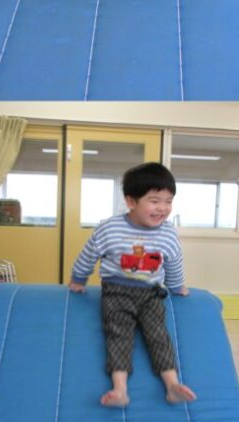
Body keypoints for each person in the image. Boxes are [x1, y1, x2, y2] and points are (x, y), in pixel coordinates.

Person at [68, 162, 195, 407]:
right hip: (116, 293)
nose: (163, 208)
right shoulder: (110, 228)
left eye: (168, 201)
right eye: (154, 201)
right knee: (118, 335)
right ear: (131, 201)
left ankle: (172, 385)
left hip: (151, 294)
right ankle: (120, 389)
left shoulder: (168, 233)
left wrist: (177, 287)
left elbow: (174, 262)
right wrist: (78, 279)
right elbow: (88, 254)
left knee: (159, 336)